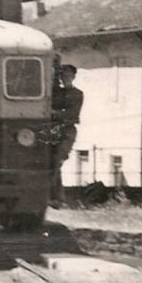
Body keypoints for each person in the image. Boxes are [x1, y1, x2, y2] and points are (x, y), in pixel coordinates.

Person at [50, 63, 84, 207]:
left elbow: (72, 113)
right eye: (63, 75)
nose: (65, 78)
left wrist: (54, 113)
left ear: (74, 77)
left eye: (68, 75)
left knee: (57, 161)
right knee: (51, 163)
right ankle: (56, 197)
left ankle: (58, 197)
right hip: (53, 130)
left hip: (67, 131)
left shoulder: (77, 94)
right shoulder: (55, 92)